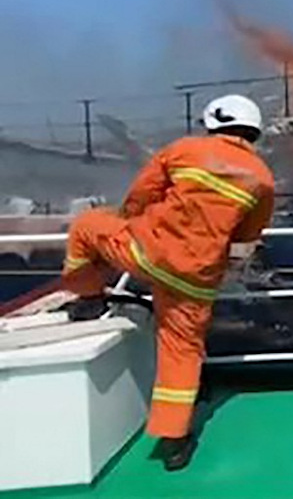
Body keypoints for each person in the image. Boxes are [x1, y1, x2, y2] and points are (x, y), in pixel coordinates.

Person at [60, 94, 275, 471]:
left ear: (213, 123)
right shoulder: (262, 178)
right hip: (196, 278)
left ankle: (89, 297)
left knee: (85, 226)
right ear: (253, 132)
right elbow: (248, 231)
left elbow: (140, 196)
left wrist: (130, 223)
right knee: (181, 349)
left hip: (147, 254)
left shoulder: (185, 150)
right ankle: (174, 441)